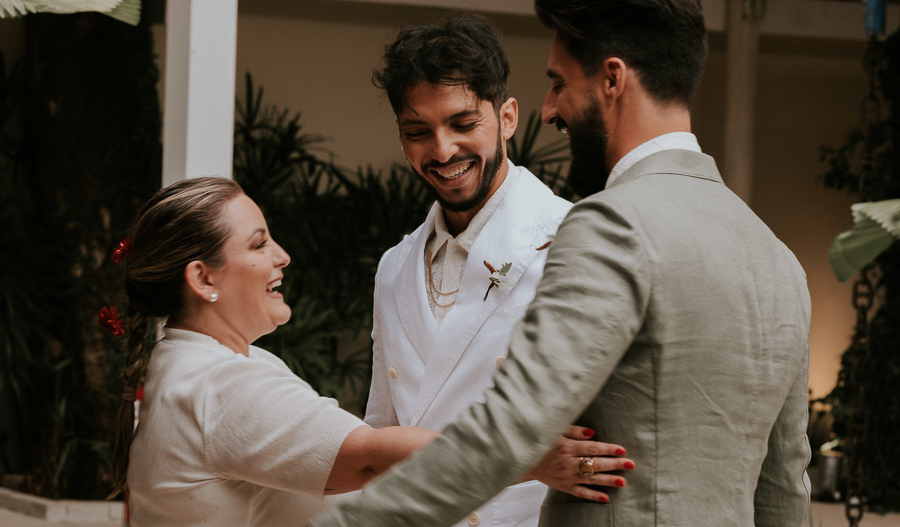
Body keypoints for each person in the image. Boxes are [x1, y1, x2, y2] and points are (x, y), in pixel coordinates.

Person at [313, 0, 812, 527]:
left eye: (557, 83)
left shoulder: (608, 225)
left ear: (612, 79)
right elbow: (784, 491)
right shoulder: (777, 257)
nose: (550, 109)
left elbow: (507, 432)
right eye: (418, 131)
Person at [108, 177, 627, 526]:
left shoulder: (189, 364)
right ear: (202, 278)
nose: (281, 256)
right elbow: (369, 463)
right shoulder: (220, 386)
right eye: (259, 244)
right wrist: (534, 458)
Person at [363, 15, 631, 526]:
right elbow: (382, 428)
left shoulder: (576, 241)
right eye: (418, 131)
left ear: (507, 118)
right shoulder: (394, 266)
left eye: (464, 124)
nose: (442, 151)